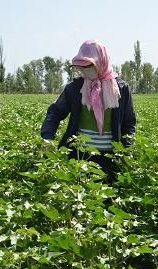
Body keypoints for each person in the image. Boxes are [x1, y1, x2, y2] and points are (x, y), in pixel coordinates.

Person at [40, 40, 136, 178]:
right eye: (81, 66)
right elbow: (55, 112)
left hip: (110, 158)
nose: (84, 70)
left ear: (101, 61)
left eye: (88, 65)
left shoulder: (121, 89)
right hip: (79, 156)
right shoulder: (75, 88)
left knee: (107, 197)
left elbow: (129, 122)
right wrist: (47, 136)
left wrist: (127, 150)